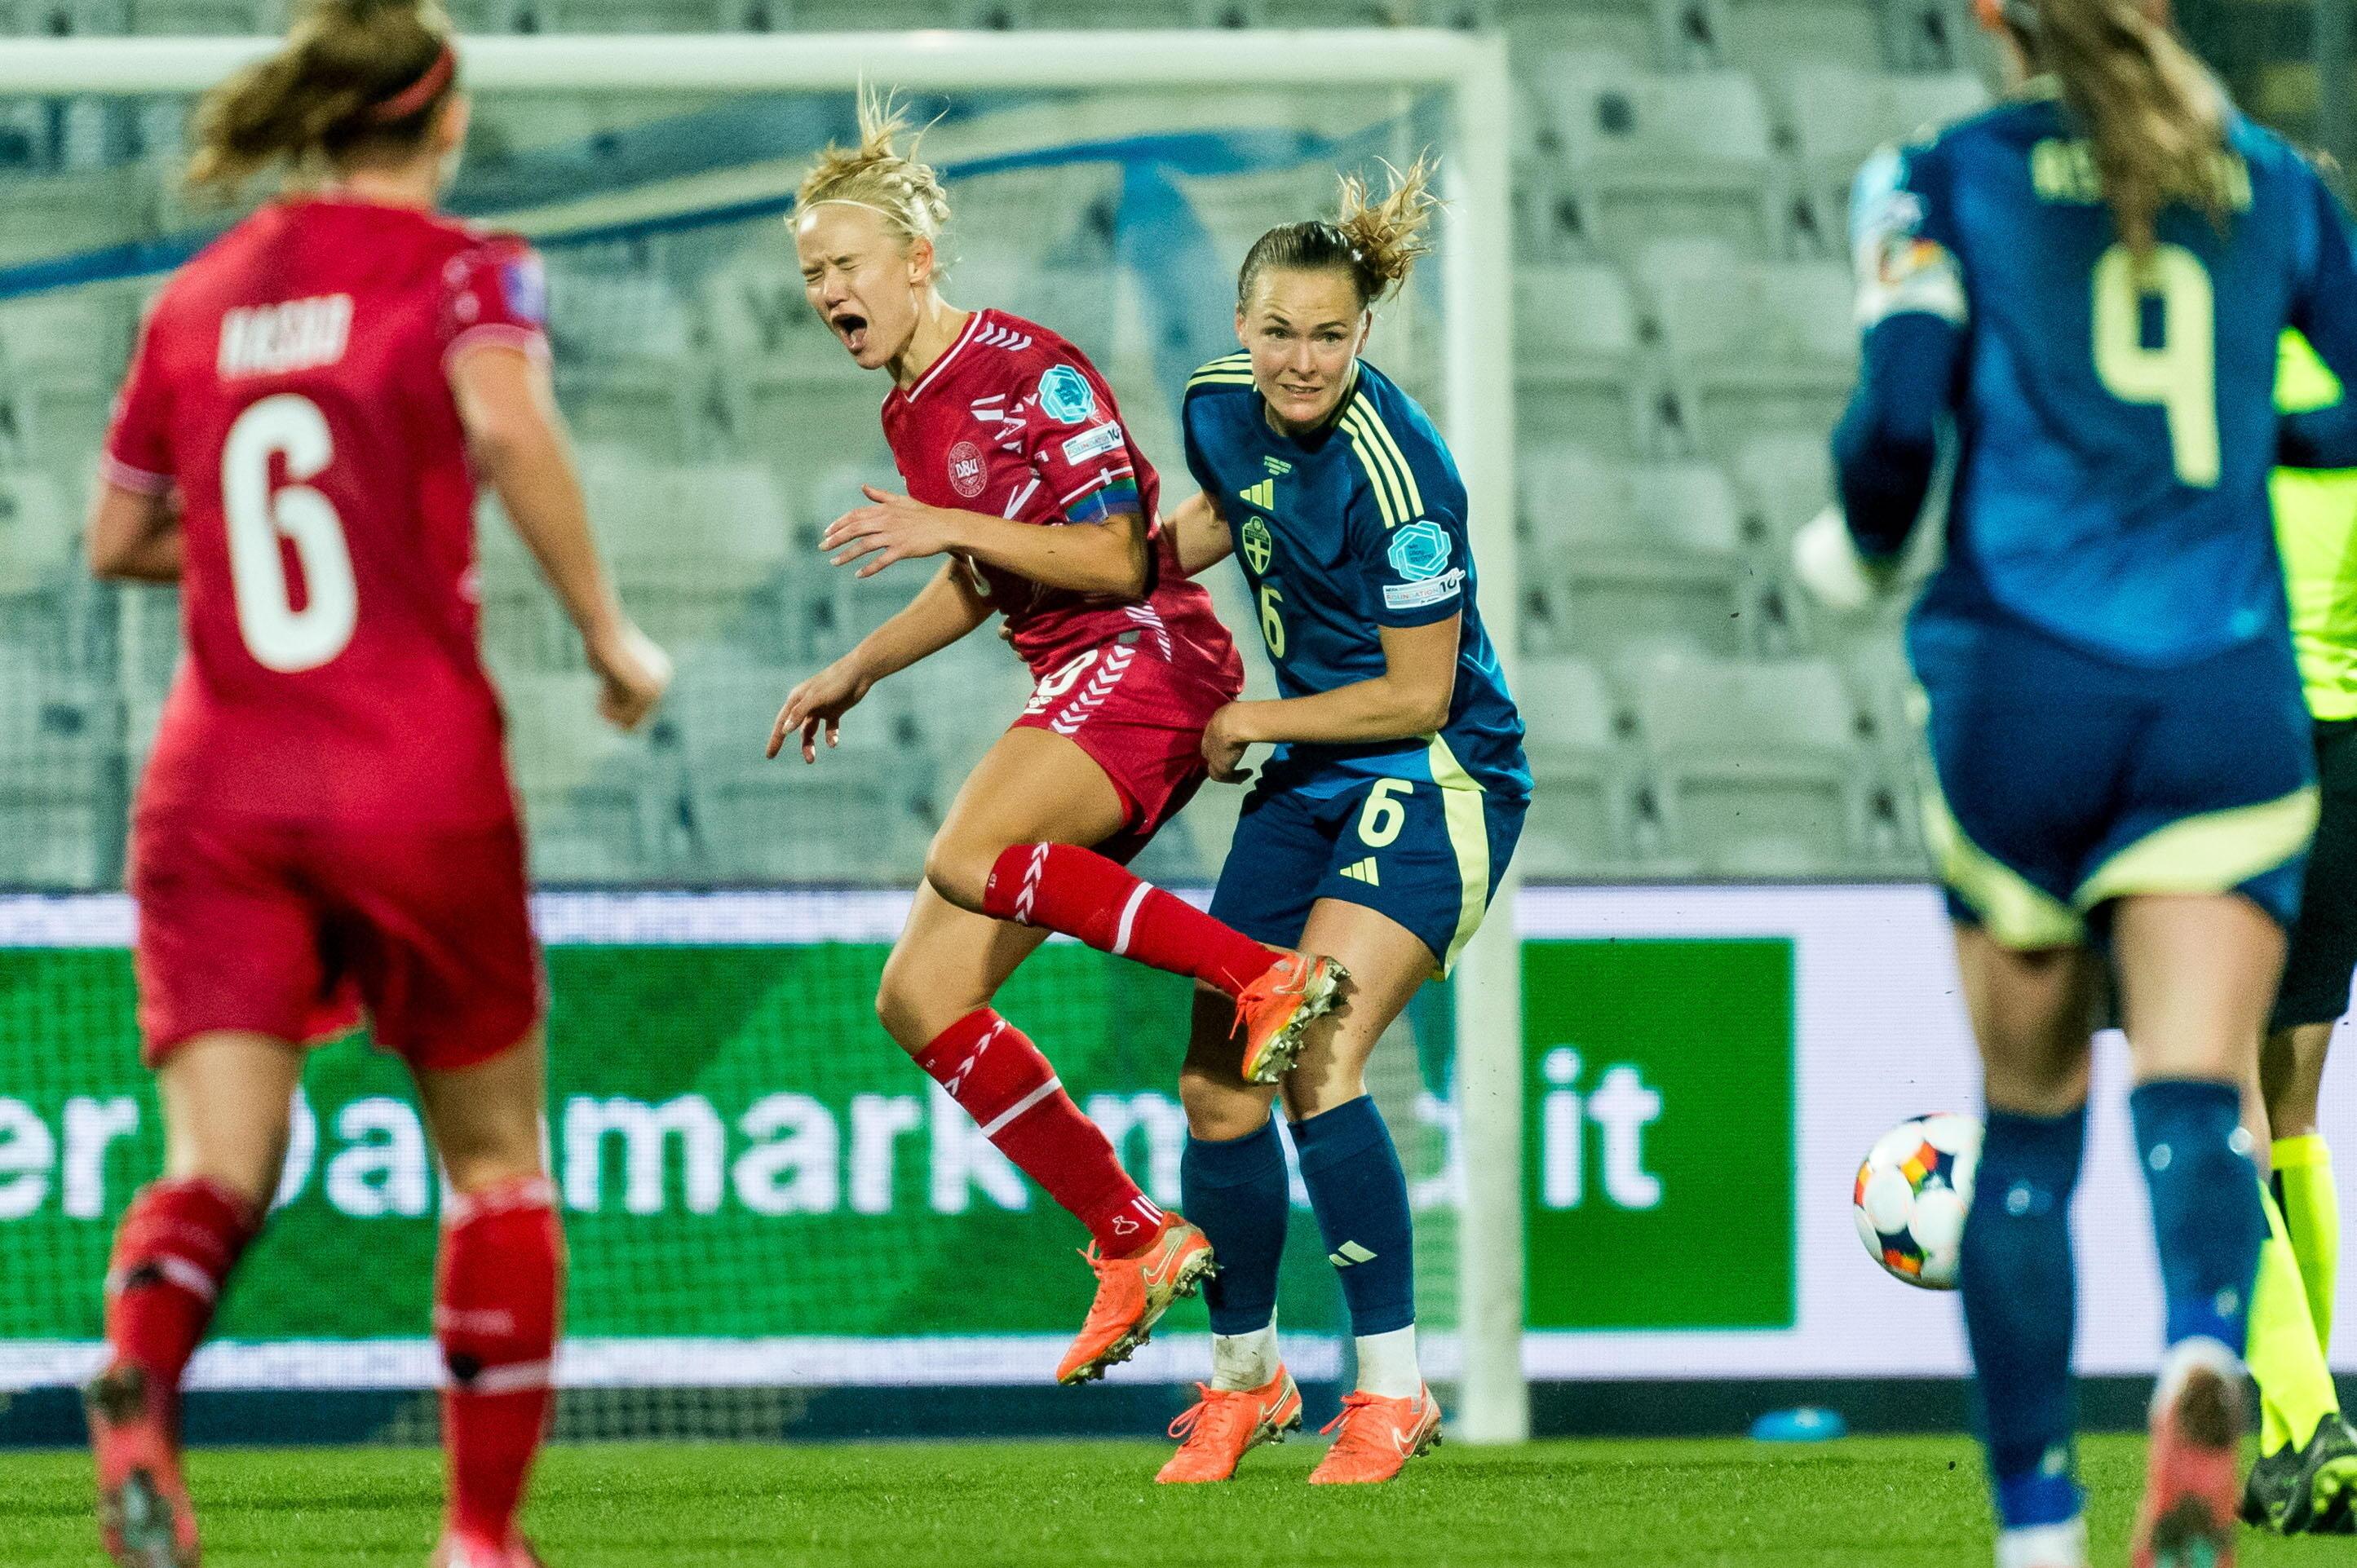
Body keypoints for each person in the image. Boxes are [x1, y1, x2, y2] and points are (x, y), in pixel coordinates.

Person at [79, 4, 671, 1564]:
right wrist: (611, 634)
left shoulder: (195, 296)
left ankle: (142, 1371)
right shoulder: (468, 268)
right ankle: (479, 1537)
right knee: (493, 1164)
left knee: (219, 1168)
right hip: (407, 770)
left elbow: (118, 540)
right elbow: (503, 417)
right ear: (444, 116)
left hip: (214, 783)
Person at [1797, 1, 2357, 1563]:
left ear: (1993, 12)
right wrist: (2256, 426)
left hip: (2021, 692)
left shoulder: (1931, 178)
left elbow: (1897, 422)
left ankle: (2039, 1528)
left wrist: (1849, 548)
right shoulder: (2275, 184)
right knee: (2200, 1095)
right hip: (2220, 700)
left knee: (2028, 1131)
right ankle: (2203, 1346)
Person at [767, 94, 1348, 1389]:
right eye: (810, 274)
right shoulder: (910, 409)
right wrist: (853, 667)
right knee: (917, 998)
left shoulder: (1030, 367)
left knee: (970, 850)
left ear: (916, 262)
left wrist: (950, 529)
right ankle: (1130, 1234)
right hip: (1078, 676)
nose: (825, 292)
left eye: (843, 266)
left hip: (1147, 655)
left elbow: (1109, 554)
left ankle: (1256, 977)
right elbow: (983, 579)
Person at [1151, 158, 1528, 1486]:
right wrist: (1087, 577)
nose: (1301, 362)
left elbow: (1420, 690)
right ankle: (1246, 1380)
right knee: (1212, 1084)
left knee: (1307, 1047)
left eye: (1330, 337)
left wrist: (1249, 719)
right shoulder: (1215, 407)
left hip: (1439, 774)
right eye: (1279, 333)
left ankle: (1392, 1388)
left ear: (1363, 335)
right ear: (1240, 324)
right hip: (1312, 775)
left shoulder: (1402, 473)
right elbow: (1215, 520)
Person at [2238, 329, 2357, 1535]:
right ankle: (2295, 1442)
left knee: (2210, 1096)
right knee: (2296, 1110)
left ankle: (2307, 1415)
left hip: (2225, 744)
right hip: (2344, 750)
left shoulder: (2206, 362)